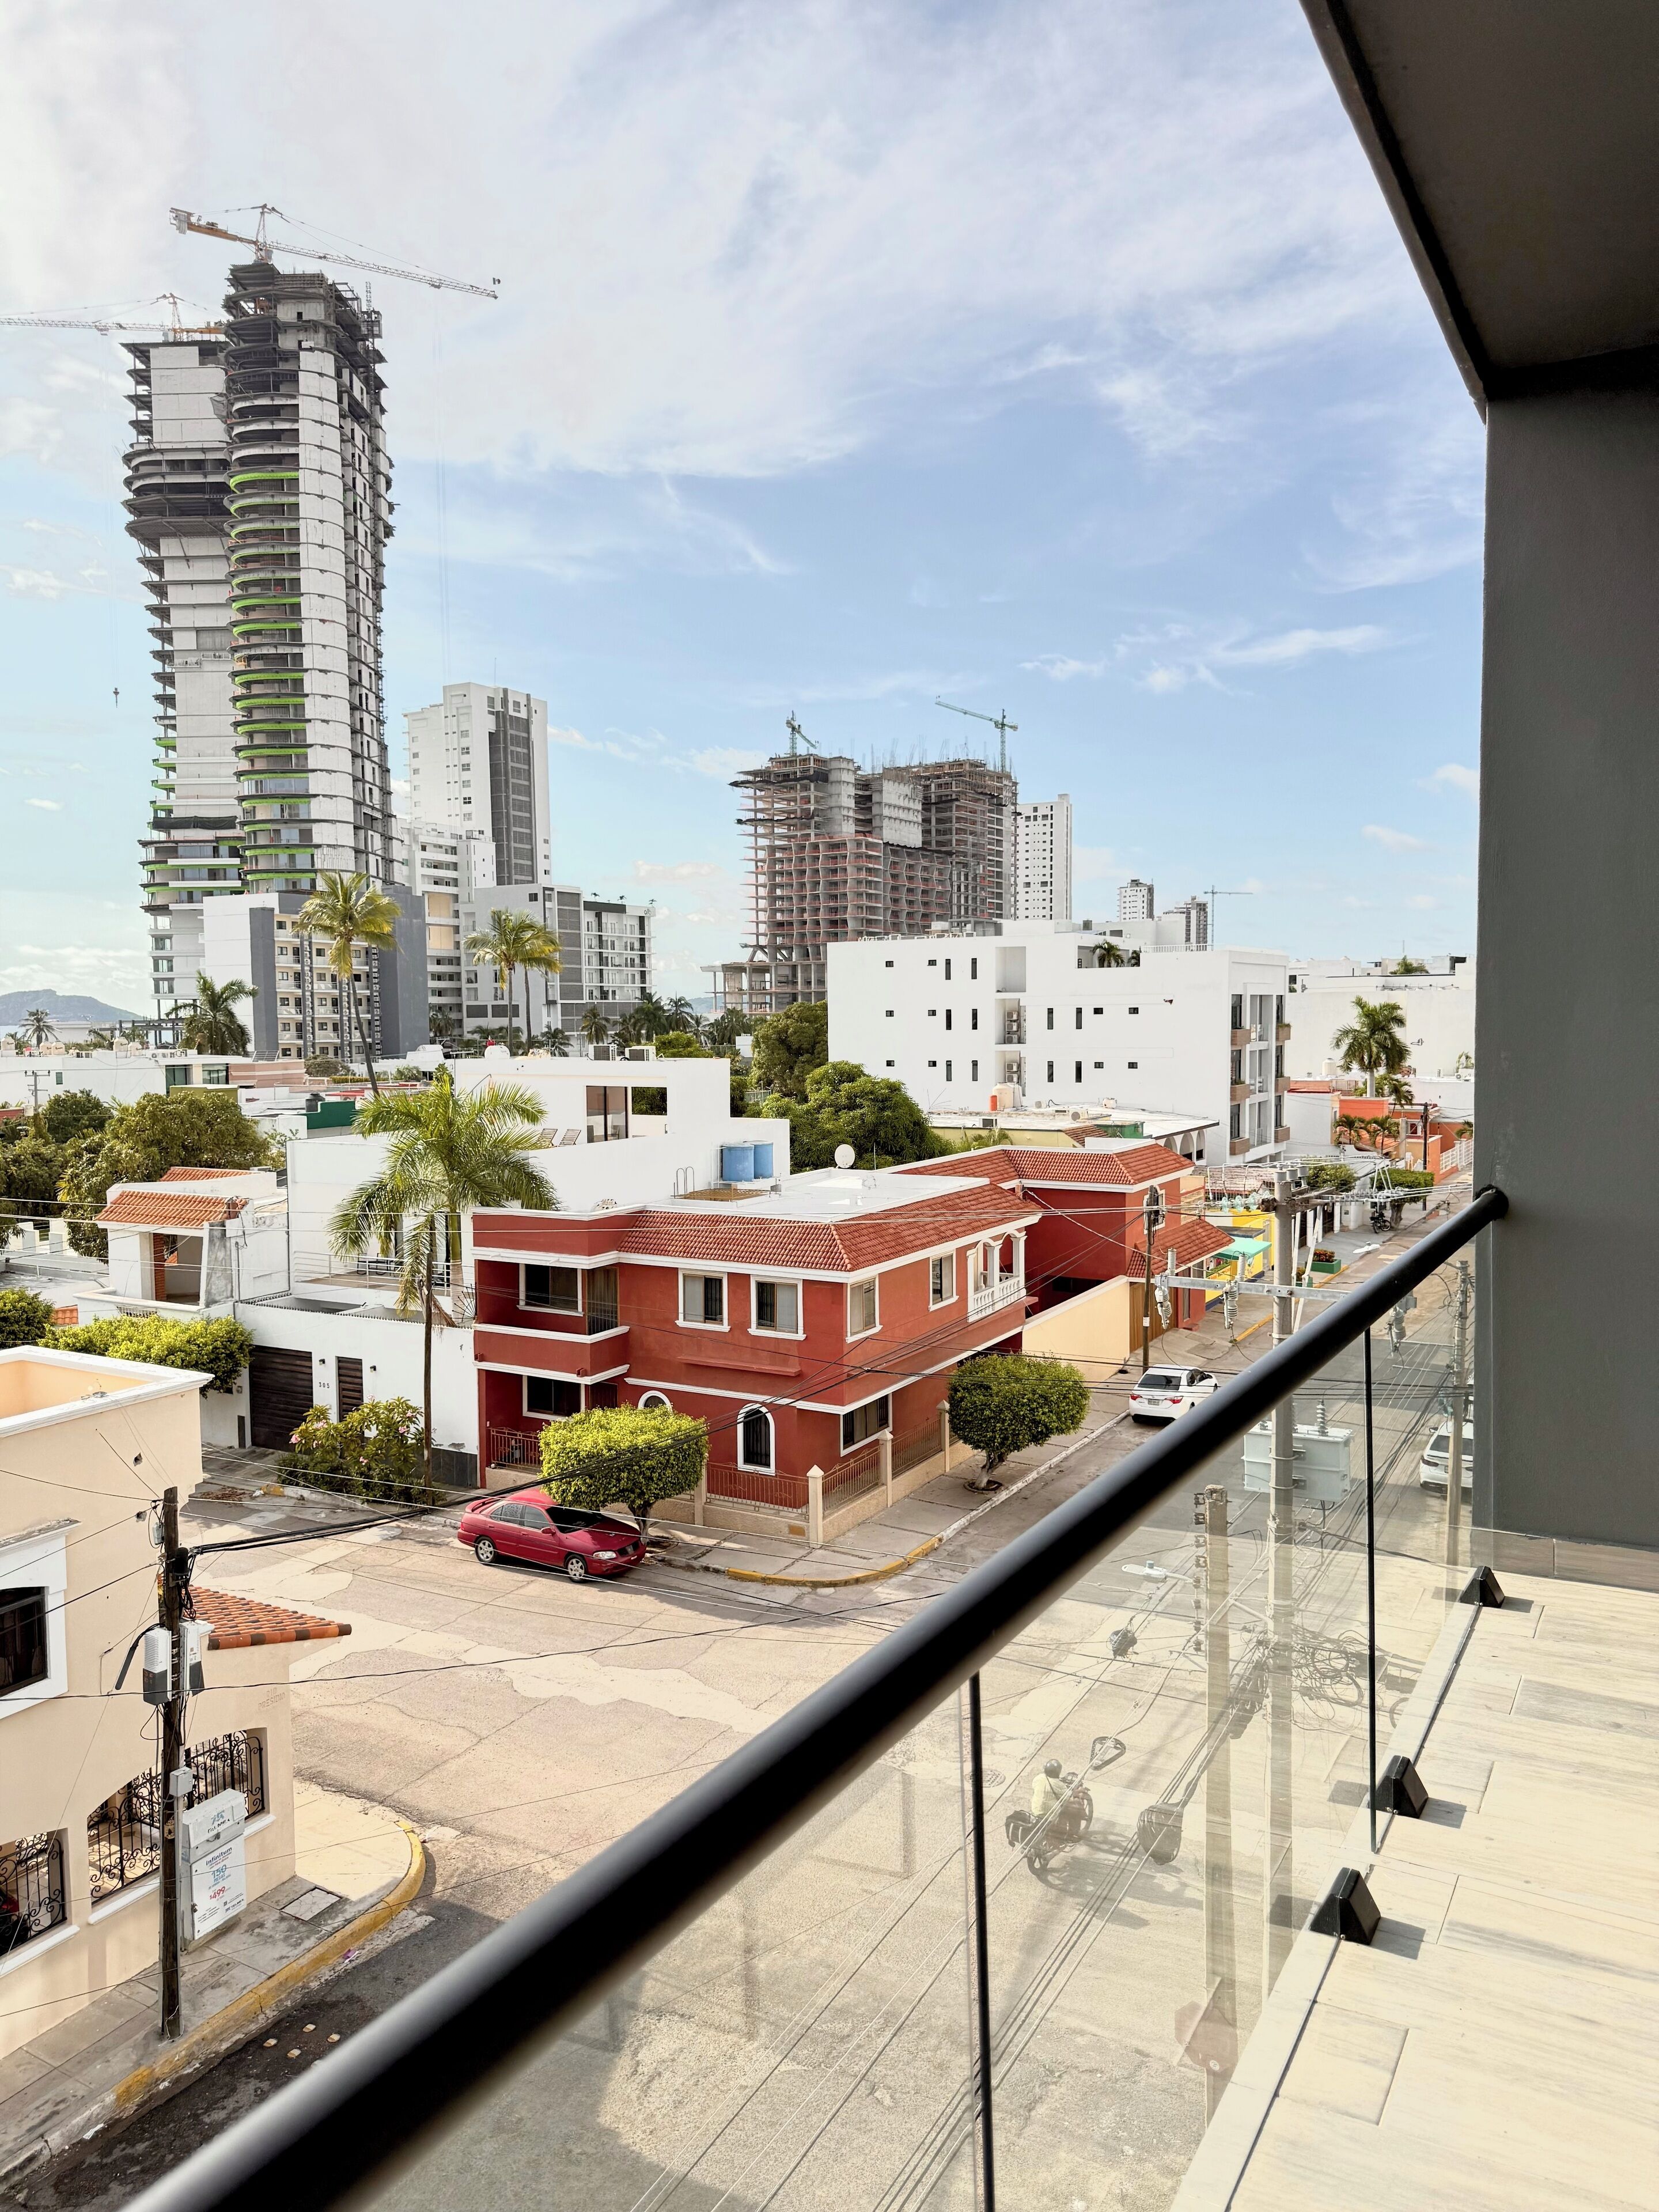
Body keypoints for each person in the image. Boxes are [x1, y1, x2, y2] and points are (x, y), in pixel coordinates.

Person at [1029, 1759, 1066, 1824]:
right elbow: (1068, 1797)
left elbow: (1034, 1787)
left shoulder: (1039, 1778)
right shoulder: (1059, 1785)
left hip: (1035, 1811)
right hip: (1049, 1816)